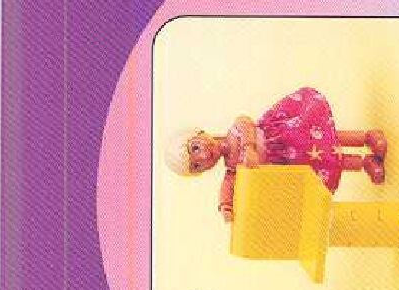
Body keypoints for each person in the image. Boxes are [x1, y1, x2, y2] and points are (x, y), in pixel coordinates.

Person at [164, 86, 387, 221]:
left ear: (201, 133)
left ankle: (366, 138)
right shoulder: (232, 170)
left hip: (288, 135)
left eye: (195, 148)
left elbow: (246, 123)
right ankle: (364, 163)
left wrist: (249, 147)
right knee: (329, 161)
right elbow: (228, 186)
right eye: (197, 166)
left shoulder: (235, 131)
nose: (203, 157)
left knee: (327, 137)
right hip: (290, 161)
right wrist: (225, 207)